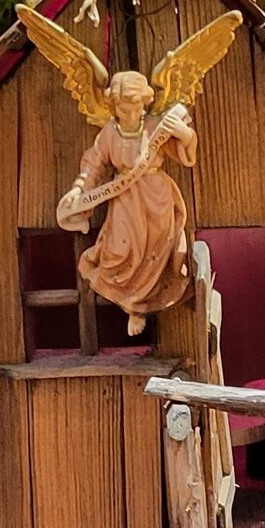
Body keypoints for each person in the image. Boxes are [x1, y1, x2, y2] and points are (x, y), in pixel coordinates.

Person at [55, 68, 199, 331]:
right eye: (124, 109)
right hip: (124, 198)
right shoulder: (110, 132)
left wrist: (185, 134)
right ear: (113, 106)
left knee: (156, 251)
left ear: (145, 102)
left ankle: (139, 307)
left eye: (136, 107)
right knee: (118, 251)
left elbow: (185, 156)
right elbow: (94, 163)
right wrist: (79, 189)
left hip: (156, 197)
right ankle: (131, 302)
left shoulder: (155, 126)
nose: (131, 114)